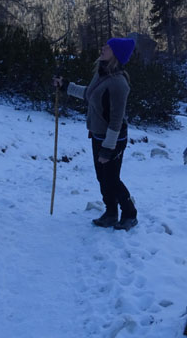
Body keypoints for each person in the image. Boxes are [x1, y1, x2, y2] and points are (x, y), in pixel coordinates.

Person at [54, 37, 138, 230]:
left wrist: (108, 149)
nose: (103, 48)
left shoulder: (118, 84)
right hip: (98, 135)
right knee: (103, 178)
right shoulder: (101, 74)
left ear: (116, 54)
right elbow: (88, 94)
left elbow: (116, 120)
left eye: (108, 47)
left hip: (113, 139)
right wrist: (65, 85)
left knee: (112, 179)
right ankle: (110, 212)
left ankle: (130, 213)